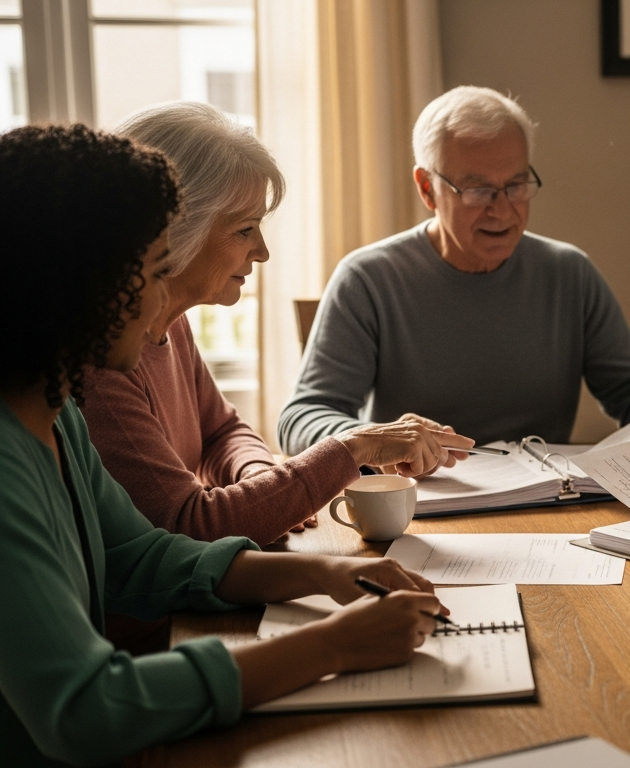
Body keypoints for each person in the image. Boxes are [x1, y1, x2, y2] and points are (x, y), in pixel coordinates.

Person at [0, 123, 452, 766]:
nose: (164, 300)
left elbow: (139, 556)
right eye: (156, 272)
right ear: (80, 286)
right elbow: (86, 709)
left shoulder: (58, 412)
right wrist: (332, 646)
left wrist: (324, 571)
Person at [79, 102, 475, 548]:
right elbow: (188, 524)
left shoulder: (172, 323)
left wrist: (264, 483)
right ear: (175, 230)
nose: (262, 251)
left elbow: (221, 431)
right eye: (245, 229)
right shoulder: (103, 363)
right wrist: (355, 447)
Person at [278, 86, 630, 453]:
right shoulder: (368, 279)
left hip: (546, 508)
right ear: (428, 188)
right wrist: (377, 440)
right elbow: (302, 419)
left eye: (516, 185)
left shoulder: (568, 272)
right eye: (478, 189)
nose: (502, 209)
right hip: (418, 513)